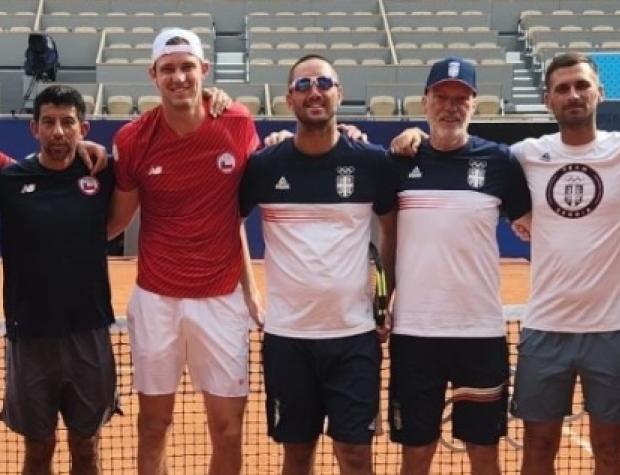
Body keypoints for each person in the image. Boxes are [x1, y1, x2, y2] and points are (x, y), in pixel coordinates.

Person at [389, 52, 620, 475]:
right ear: (547, 99)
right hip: (546, 327)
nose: (573, 95)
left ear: (599, 93)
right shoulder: (521, 156)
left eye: (582, 86)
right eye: (563, 88)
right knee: (538, 446)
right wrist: (412, 135)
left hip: (615, 330)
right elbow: (458, 159)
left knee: (609, 448)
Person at [107, 28, 261, 475]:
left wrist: (248, 286)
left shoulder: (236, 122)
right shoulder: (134, 139)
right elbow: (115, 222)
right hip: (157, 300)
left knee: (229, 430)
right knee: (154, 424)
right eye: (168, 69)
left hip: (221, 299)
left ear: (204, 71)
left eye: (188, 67)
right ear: (153, 75)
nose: (179, 77)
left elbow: (234, 212)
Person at [239, 54, 397, 475]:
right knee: (297, 454)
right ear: (289, 99)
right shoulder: (263, 166)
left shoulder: (371, 162)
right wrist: (250, 291)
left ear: (339, 94)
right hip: (288, 338)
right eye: (304, 85)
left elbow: (391, 226)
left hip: (354, 337)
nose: (315, 92)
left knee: (356, 455)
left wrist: (387, 295)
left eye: (324, 83)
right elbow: (230, 223)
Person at [381, 57, 531, 475]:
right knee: (416, 453)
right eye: (442, 97)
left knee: (484, 453)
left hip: (479, 334)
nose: (450, 106)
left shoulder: (500, 162)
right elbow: (385, 240)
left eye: (460, 99)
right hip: (415, 334)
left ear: (474, 103)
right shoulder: (397, 163)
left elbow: (533, 224)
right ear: (425, 102)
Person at [0, 85, 117, 474]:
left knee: (86, 450)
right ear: (34, 128)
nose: (58, 132)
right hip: (30, 335)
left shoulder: (102, 173)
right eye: (48, 122)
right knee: (38, 450)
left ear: (83, 127)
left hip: (89, 333)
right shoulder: (10, 182)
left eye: (68, 123)